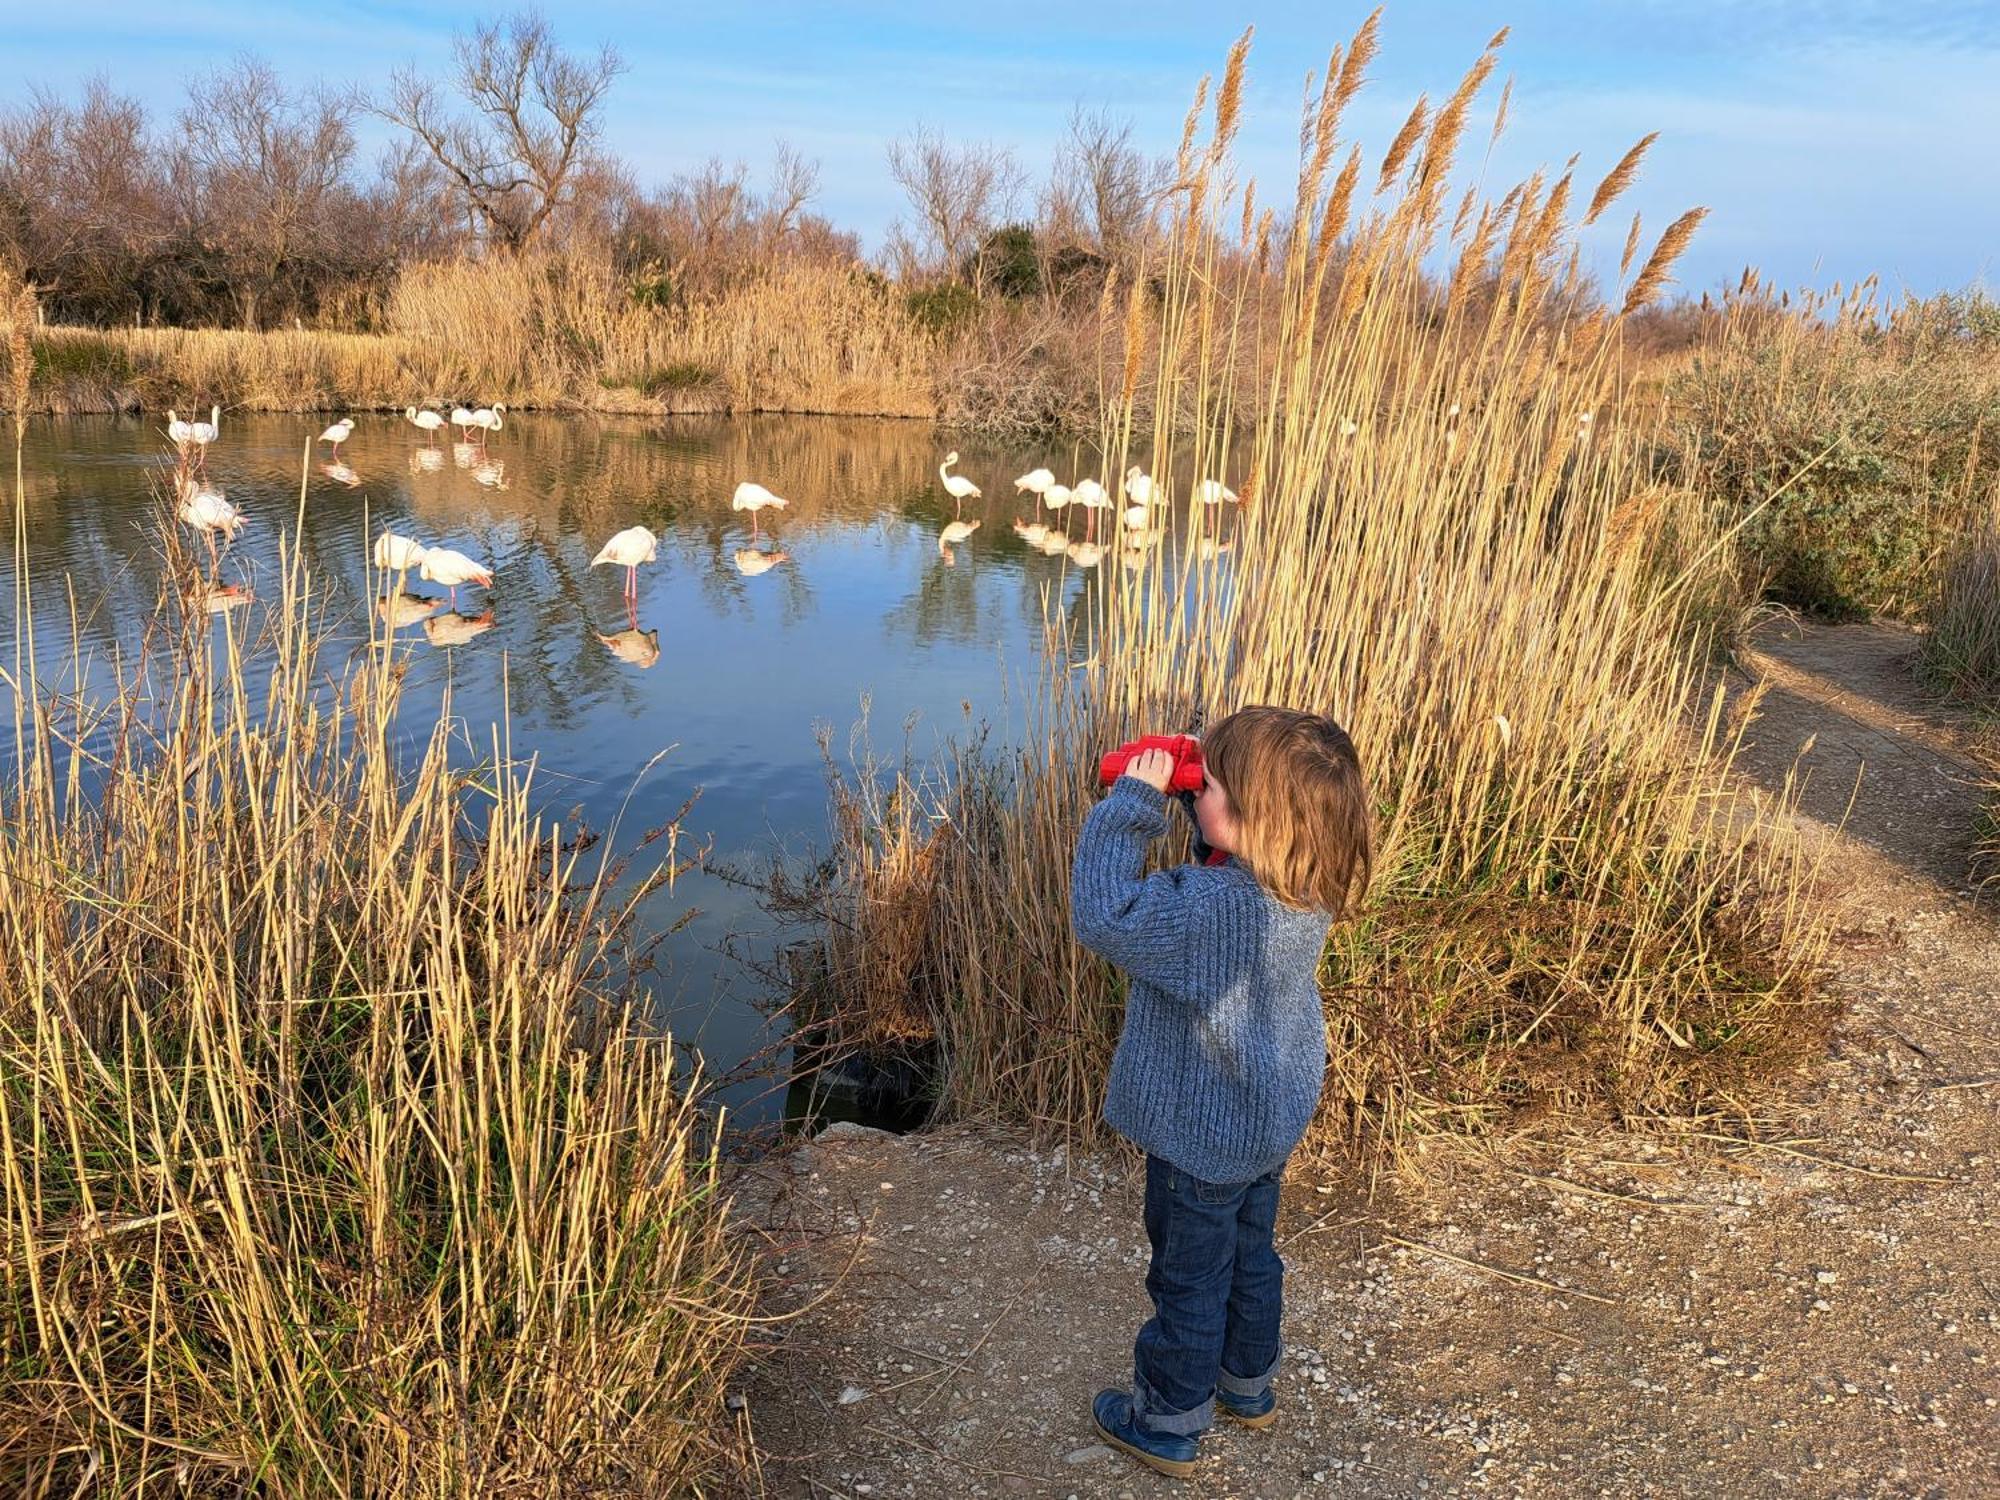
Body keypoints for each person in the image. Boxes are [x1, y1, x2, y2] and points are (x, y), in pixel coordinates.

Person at [1071, 705, 1373, 1477]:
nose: (1196, 789)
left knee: (1188, 1275)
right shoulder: (1307, 880)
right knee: (1251, 1255)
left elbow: (1104, 916)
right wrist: (1202, 804)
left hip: (1202, 1134)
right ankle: (1249, 1386)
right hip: (1265, 1121)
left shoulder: (1207, 911)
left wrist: (1132, 807)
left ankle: (1166, 1420)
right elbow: (1230, 862)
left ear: (1248, 817)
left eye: (1211, 785)